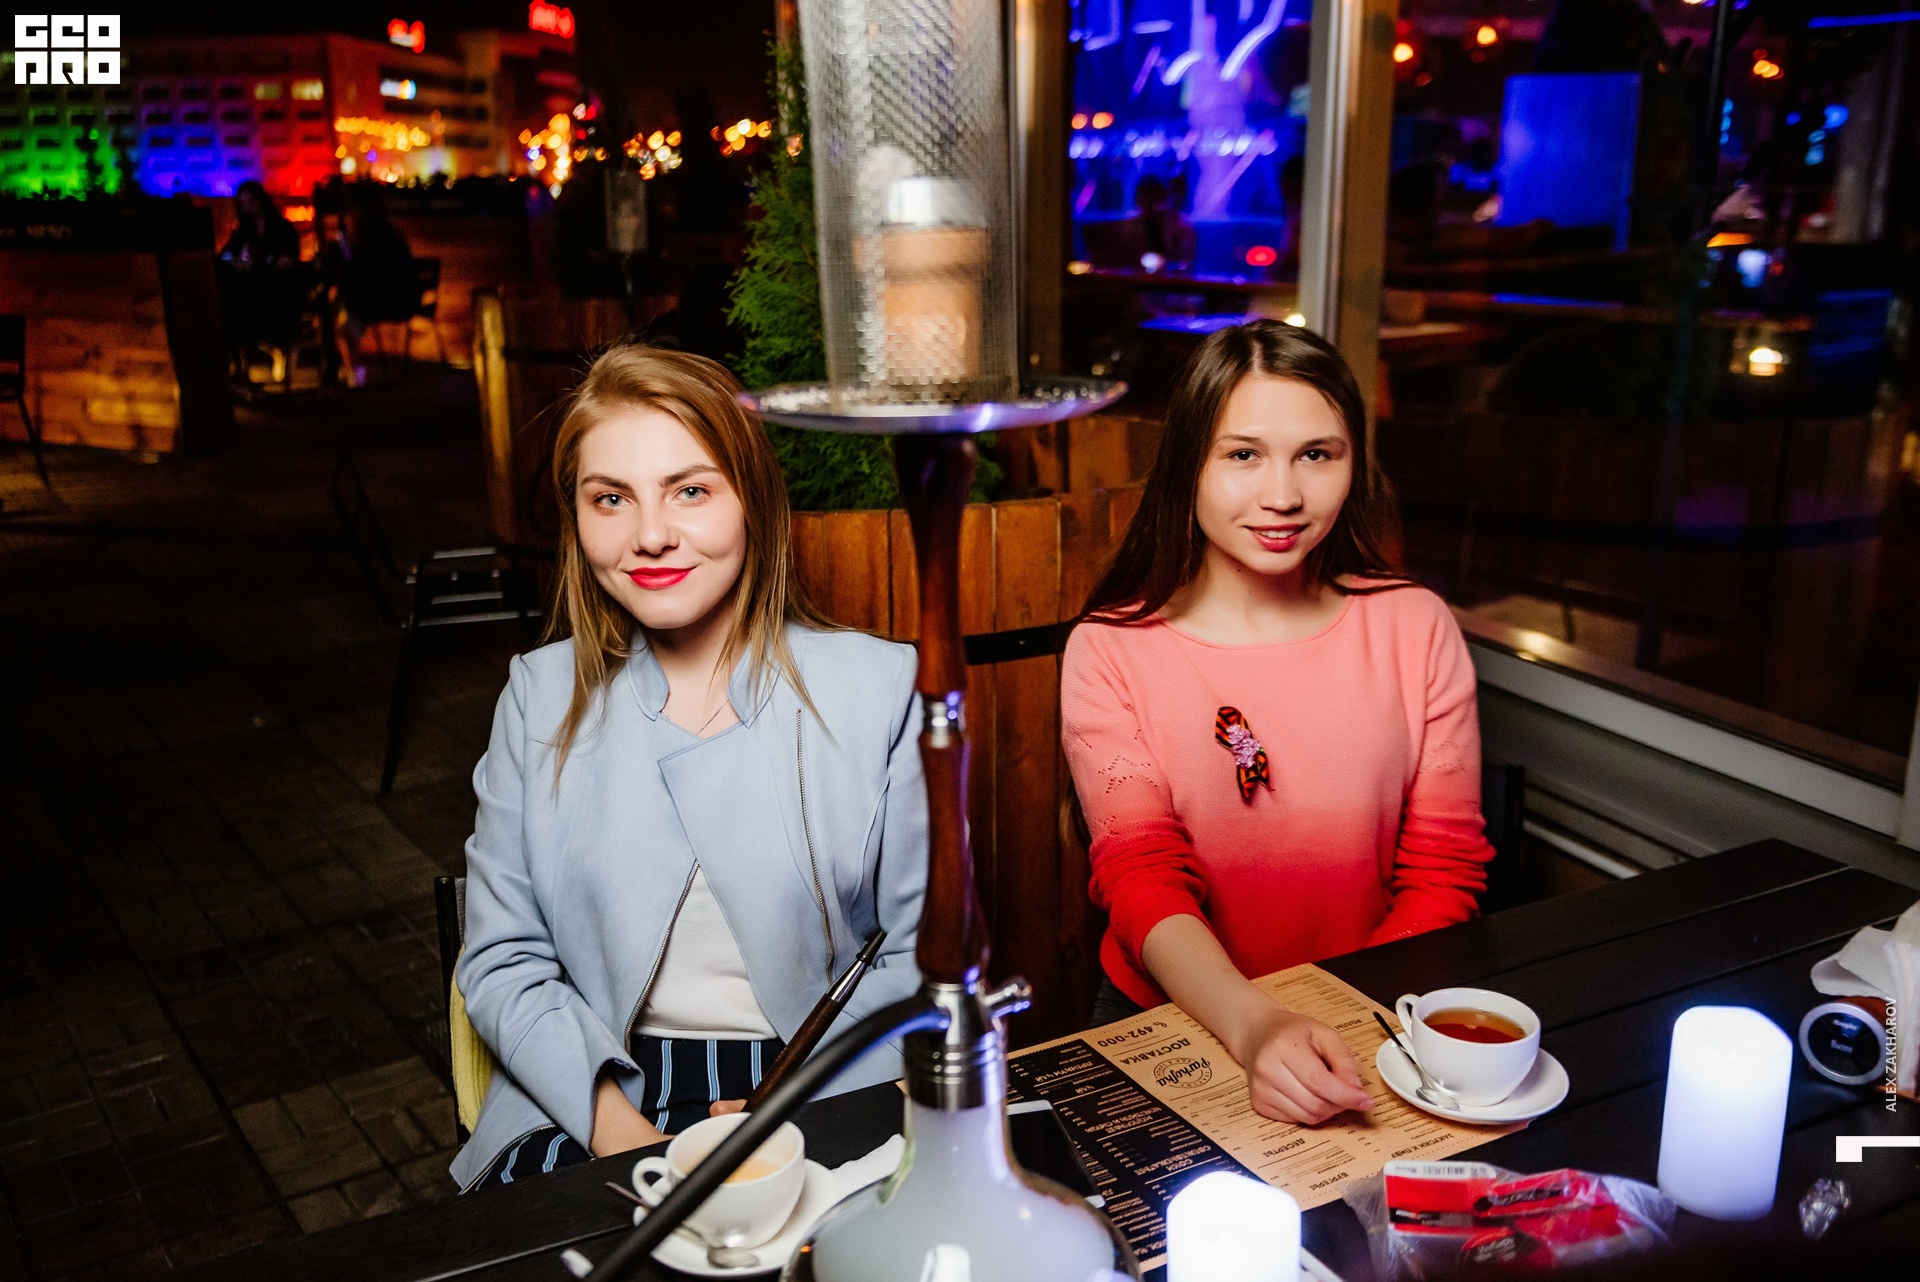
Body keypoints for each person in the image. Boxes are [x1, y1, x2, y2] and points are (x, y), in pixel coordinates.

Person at [449, 346, 928, 1189]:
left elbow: (919, 957)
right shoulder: (538, 698)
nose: (650, 535)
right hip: (592, 1083)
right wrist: (623, 1135)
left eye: (691, 490)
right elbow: (502, 960)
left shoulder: (876, 689)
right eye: (611, 499)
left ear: (753, 502)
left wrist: (792, 1111)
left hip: (822, 1073)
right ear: (577, 518)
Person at [1060, 319, 1493, 1128]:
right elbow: (1141, 875)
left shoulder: (1414, 626)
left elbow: (1443, 872)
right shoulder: (1112, 647)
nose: (1284, 495)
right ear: (1188, 463)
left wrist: (1341, 1022)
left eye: (1317, 454)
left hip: (1375, 1007)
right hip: (1175, 1018)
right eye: (1243, 455)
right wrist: (1255, 1024)